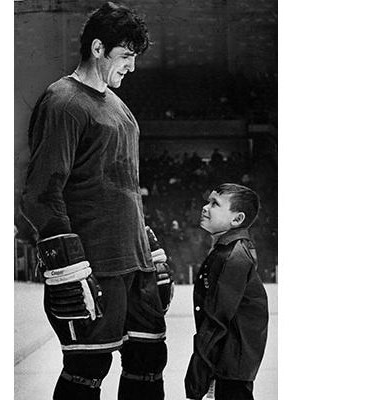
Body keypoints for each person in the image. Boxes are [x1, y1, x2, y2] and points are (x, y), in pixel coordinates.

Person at [19, 3, 172, 400]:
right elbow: (40, 192)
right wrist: (68, 266)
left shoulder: (121, 110)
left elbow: (124, 188)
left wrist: (148, 245)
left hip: (134, 261)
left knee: (149, 359)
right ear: (98, 48)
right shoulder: (64, 101)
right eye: (126, 57)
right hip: (96, 263)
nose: (131, 68)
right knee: (88, 366)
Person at [185, 183, 268, 400]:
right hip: (227, 361)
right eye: (208, 200)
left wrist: (197, 373)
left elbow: (216, 320)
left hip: (231, 364)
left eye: (215, 204)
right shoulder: (227, 250)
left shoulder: (232, 257)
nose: (205, 207)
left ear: (237, 219)